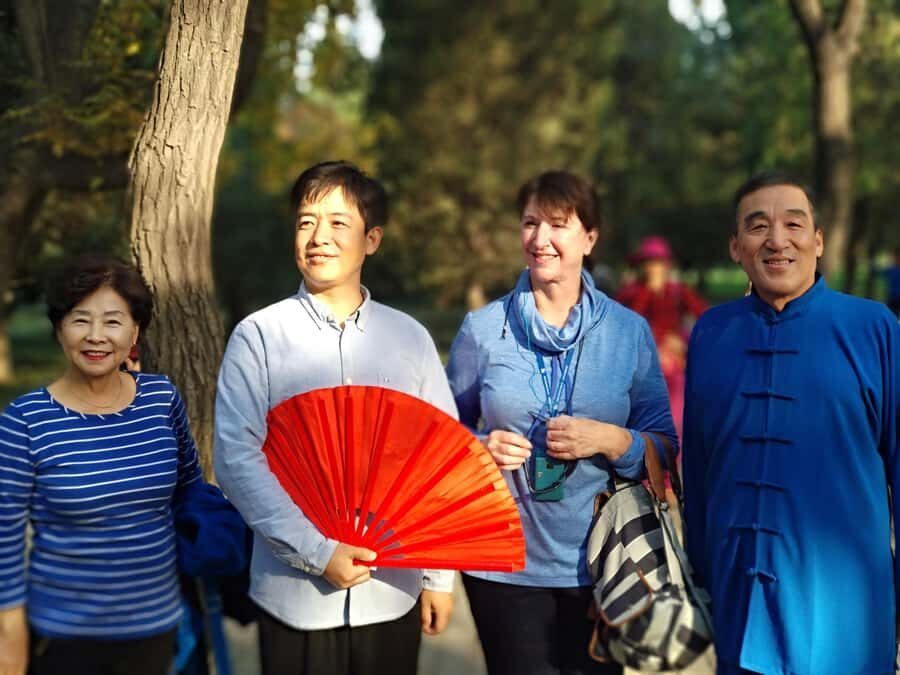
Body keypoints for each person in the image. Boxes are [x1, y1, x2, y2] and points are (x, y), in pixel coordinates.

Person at [213, 160, 455, 675]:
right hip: (293, 596)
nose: (318, 236)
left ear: (372, 239)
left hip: (394, 591)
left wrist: (438, 578)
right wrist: (317, 551)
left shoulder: (409, 338)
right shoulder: (259, 336)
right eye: (305, 222)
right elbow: (237, 458)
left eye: (338, 223)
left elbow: (439, 460)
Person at [446, 170, 677, 675]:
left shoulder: (627, 332)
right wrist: (480, 446)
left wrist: (612, 439)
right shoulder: (482, 330)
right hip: (500, 566)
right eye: (530, 223)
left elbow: (665, 445)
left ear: (590, 237)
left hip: (604, 564)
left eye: (558, 224)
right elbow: (442, 435)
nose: (540, 239)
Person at [681, 170, 900, 675]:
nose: (777, 241)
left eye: (794, 224)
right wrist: (703, 578)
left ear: (818, 241)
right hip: (741, 604)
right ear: (736, 247)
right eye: (757, 227)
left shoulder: (873, 328)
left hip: (848, 612)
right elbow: (700, 466)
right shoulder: (713, 334)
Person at [0, 254, 203, 675]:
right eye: (80, 320)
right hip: (64, 639)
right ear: (59, 328)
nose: (95, 337)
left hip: (158, 631)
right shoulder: (24, 421)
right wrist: (10, 646)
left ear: (136, 331)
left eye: (112, 321)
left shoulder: (161, 399)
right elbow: (4, 547)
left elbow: (189, 491)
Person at [617, 236, 707, 439]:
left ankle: (671, 463)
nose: (653, 268)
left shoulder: (678, 291)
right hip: (641, 367)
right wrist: (648, 292)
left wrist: (683, 343)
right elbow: (628, 323)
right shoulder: (631, 293)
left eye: (658, 263)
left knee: (675, 424)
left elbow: (706, 317)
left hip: (673, 367)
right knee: (644, 426)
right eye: (649, 263)